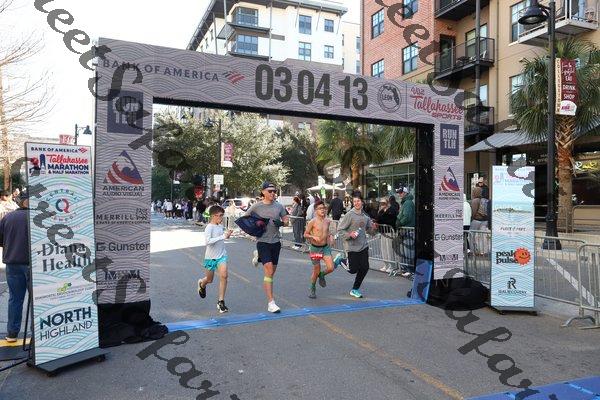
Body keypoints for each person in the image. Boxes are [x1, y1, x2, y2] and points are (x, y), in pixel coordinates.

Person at [245, 182, 289, 313]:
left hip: (275, 242)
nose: (273, 193)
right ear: (263, 192)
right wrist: (255, 226)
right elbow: (245, 219)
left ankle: (258, 256)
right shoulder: (256, 206)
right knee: (269, 270)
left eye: (274, 191)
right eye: (270, 191)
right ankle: (271, 303)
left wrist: (282, 223)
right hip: (262, 241)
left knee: (271, 274)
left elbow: (287, 220)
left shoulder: (279, 206)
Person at [0, 192, 30, 342]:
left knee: (15, 299)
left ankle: (12, 333)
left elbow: (1, 241)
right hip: (32, 264)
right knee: (37, 299)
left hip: (12, 263)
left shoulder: (8, 217)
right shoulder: (37, 218)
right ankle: (38, 333)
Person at [337, 192, 378, 298]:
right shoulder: (349, 215)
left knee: (365, 268)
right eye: (354, 201)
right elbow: (340, 230)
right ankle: (340, 260)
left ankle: (355, 289)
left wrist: (374, 228)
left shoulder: (366, 216)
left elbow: (370, 231)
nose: (356, 203)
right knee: (353, 270)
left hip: (363, 246)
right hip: (352, 247)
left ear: (362, 202)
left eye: (358, 201)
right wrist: (349, 234)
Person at [197, 205, 232, 313]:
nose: (221, 217)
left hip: (221, 256)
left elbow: (221, 239)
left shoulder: (220, 226)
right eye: (220, 215)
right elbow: (208, 242)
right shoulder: (209, 227)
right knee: (209, 280)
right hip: (210, 258)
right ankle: (202, 284)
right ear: (213, 216)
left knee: (224, 276)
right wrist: (222, 237)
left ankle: (221, 301)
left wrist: (227, 235)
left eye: (222, 215)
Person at [303, 200, 335, 299]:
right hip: (315, 249)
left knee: (331, 268)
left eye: (324, 208)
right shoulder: (312, 222)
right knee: (316, 270)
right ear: (316, 210)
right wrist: (313, 237)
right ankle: (312, 288)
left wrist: (331, 236)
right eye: (320, 208)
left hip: (325, 248)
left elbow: (328, 231)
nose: (323, 210)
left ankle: (322, 275)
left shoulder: (327, 221)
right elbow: (305, 234)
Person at [376, 197, 399, 273]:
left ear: (387, 203)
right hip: (383, 232)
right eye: (381, 203)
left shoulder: (392, 210)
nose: (382, 205)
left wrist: (381, 218)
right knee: (384, 249)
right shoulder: (381, 211)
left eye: (384, 203)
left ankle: (392, 266)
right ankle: (386, 264)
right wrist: (380, 212)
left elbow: (389, 221)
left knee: (389, 249)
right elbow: (377, 220)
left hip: (389, 232)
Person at [396, 186, 415, 277]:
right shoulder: (406, 202)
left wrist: (399, 222)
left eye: (401, 192)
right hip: (406, 229)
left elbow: (407, 216)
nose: (399, 194)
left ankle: (410, 269)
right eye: (399, 193)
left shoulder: (407, 203)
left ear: (405, 193)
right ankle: (407, 268)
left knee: (408, 251)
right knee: (406, 250)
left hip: (408, 229)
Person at [469, 186, 490, 255]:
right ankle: (483, 251)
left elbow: (473, 212)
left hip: (477, 220)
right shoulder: (485, 200)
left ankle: (473, 251)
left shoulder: (475, 200)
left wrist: (471, 219)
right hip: (485, 221)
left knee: (471, 236)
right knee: (483, 237)